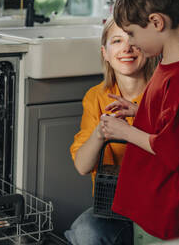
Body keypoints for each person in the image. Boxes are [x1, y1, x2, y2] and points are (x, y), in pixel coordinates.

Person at [100, 0, 179, 241]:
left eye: (131, 33)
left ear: (156, 22)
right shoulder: (170, 65)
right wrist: (138, 111)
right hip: (157, 207)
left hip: (168, 216)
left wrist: (124, 132)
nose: (130, 43)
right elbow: (176, 124)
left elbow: (173, 147)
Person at [65, 16, 158, 245]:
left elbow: (175, 148)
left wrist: (140, 116)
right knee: (84, 231)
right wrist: (100, 131)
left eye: (133, 39)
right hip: (113, 208)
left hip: (158, 206)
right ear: (105, 53)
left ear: (148, 48)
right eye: (117, 41)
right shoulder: (96, 97)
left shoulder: (163, 94)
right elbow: (82, 166)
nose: (126, 48)